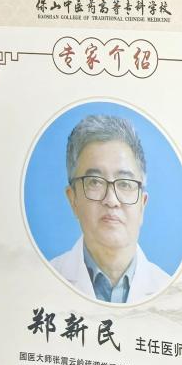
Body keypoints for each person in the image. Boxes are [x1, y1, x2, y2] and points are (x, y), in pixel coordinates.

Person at [49, 114, 170, 304]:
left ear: (142, 204)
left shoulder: (173, 294)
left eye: (125, 184)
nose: (111, 200)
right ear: (73, 200)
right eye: (95, 182)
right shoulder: (42, 281)